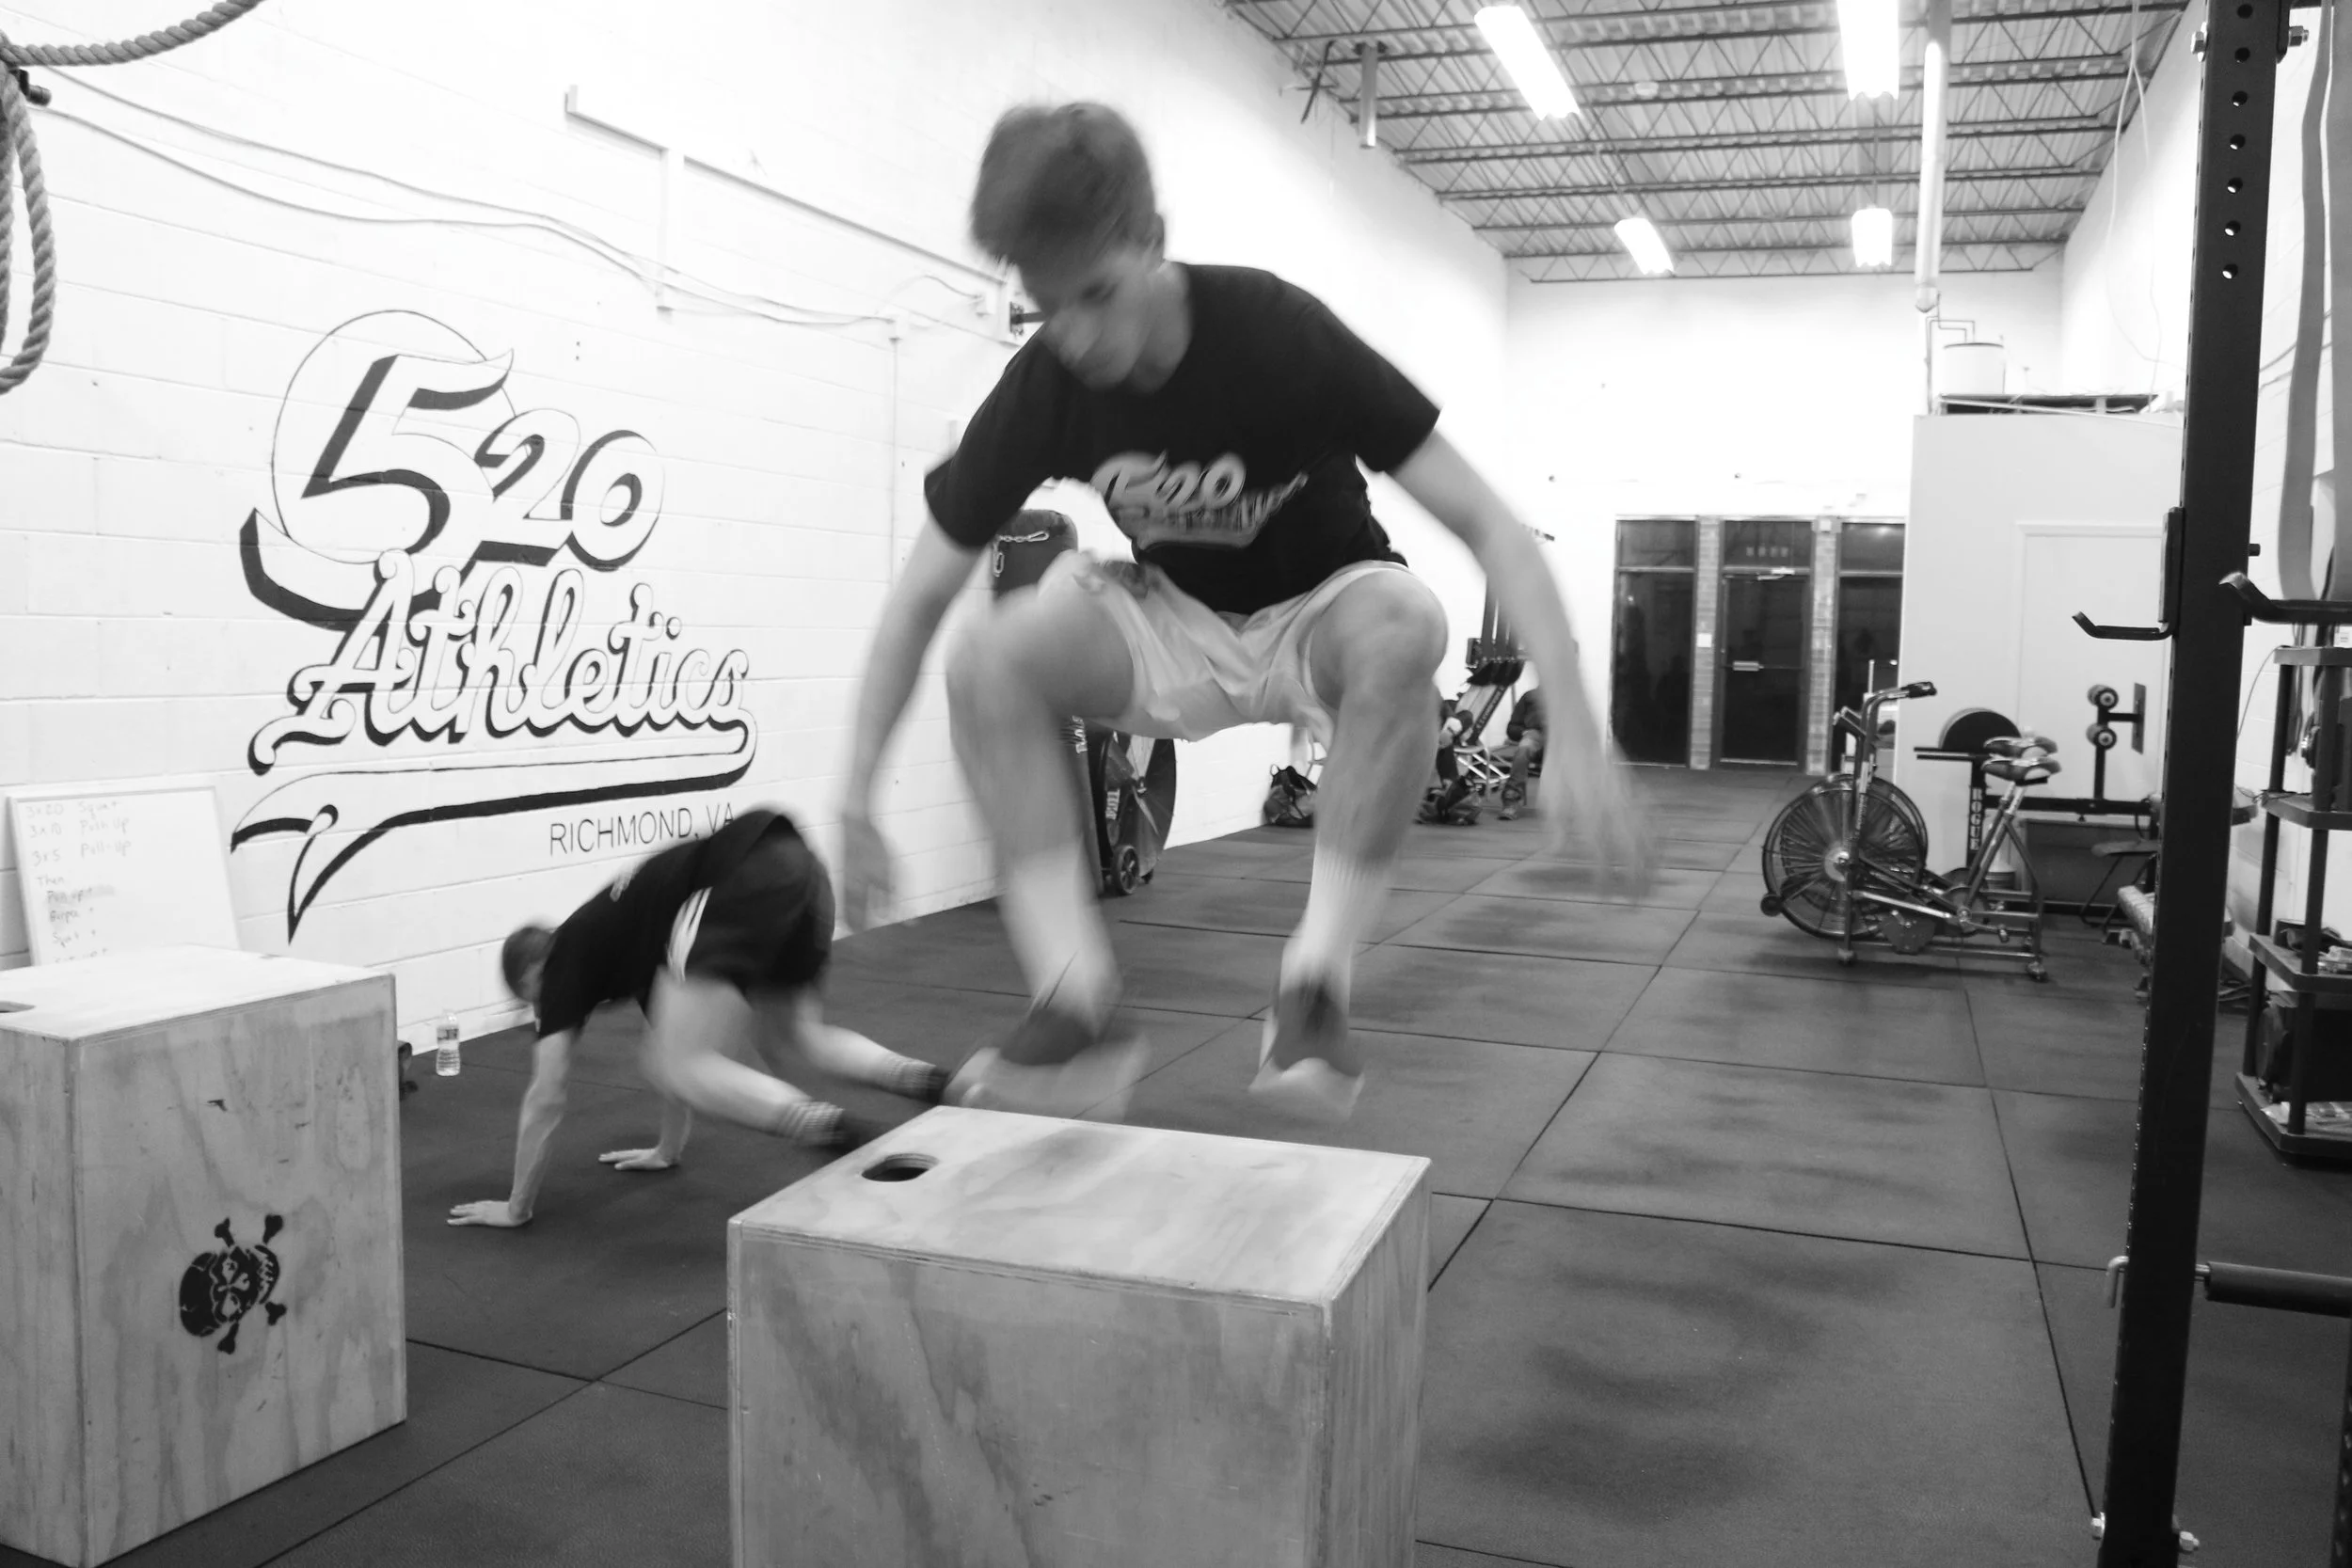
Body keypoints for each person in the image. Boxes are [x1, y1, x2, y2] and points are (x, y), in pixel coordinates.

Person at [836, 102, 1651, 1127]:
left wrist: (1574, 726)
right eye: (1050, 308)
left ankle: (1313, 987)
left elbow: (1489, 522)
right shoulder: (1046, 383)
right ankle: (1073, 1005)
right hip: (1172, 616)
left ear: (1153, 243)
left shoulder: (1276, 332)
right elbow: (918, 596)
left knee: (1408, 619)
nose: (1078, 338)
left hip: (1322, 607)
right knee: (985, 656)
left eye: (1096, 294)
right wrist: (857, 794)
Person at [448, 809, 948, 1228]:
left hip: (739, 876)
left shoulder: (563, 964)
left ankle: (833, 1128)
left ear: (534, 973)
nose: (540, 1013)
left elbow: (547, 1093)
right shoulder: (622, 947)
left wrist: (516, 1208)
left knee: (677, 1062)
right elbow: (667, 1034)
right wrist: (667, 1149)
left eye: (531, 1000)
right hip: (797, 865)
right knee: (794, 1037)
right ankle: (932, 1081)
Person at [1495, 687, 1546, 821]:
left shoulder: (1569, 697)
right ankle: (1511, 798)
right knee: (1524, 749)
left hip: (1560, 738)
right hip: (1535, 735)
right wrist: (1523, 732)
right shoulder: (1529, 696)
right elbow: (1512, 728)